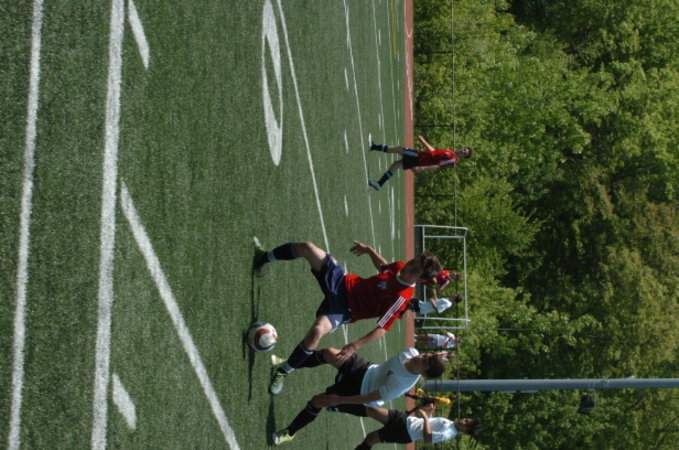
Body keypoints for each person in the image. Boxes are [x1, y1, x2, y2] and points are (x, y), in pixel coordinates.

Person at [252, 237, 442, 396]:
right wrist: (369, 251)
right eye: (412, 262)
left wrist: (355, 345)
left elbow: (382, 329)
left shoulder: (402, 298)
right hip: (342, 281)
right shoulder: (400, 267)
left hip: (344, 309)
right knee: (306, 247)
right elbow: (384, 267)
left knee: (317, 332)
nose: (408, 267)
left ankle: (283, 372)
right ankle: (264, 258)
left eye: (414, 270)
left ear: (420, 279)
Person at [271, 347, 446, 445]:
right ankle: (291, 362)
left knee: (318, 401)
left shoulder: (401, 383)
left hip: (362, 395)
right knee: (329, 353)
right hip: (366, 370)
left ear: (424, 373)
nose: (420, 357)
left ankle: (289, 432)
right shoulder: (411, 352)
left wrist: (340, 400)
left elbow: (371, 397)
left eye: (424, 362)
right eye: (425, 355)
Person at [367, 134, 473, 190]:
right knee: (397, 164)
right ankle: (379, 184)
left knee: (399, 149)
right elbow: (433, 152)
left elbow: (437, 166)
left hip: (419, 158)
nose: (463, 151)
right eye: (464, 149)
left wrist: (421, 168)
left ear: (463, 157)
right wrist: (423, 141)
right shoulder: (450, 152)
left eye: (465, 153)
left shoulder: (452, 159)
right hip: (421, 157)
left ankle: (373, 146)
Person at [354, 403, 481, 448]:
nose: (463, 420)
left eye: (466, 424)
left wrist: (425, 418)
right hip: (405, 420)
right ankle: (341, 404)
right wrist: (429, 414)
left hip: (404, 432)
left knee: (371, 438)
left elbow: (428, 438)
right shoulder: (451, 424)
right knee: (371, 410)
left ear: (466, 432)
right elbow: (430, 425)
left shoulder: (449, 433)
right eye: (466, 419)